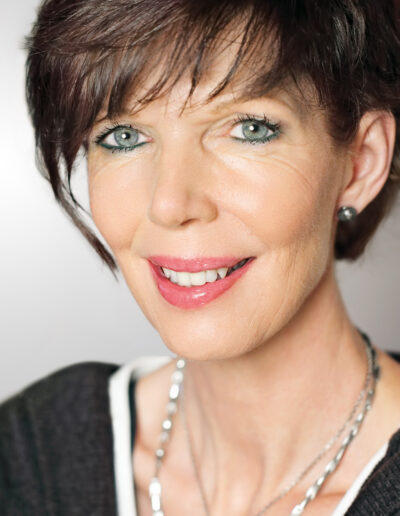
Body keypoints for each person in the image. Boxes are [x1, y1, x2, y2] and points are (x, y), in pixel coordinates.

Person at [1, 0, 400, 515]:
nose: (170, 204)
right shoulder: (33, 457)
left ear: (361, 163)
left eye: (249, 128)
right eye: (124, 137)